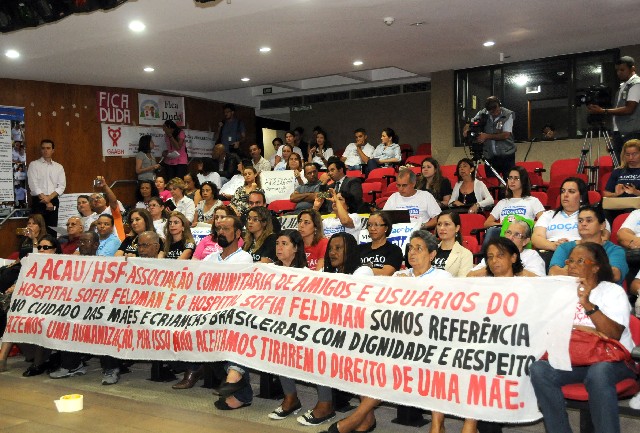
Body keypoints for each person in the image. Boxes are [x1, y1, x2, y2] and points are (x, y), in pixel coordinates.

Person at [530, 242, 635, 433]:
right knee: (539, 369)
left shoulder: (612, 292)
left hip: (614, 362)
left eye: (580, 261)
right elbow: (551, 330)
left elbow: (612, 334)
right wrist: (588, 330)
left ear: (595, 267)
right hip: (575, 361)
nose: (572, 265)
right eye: (570, 261)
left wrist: (587, 304)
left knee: (599, 372)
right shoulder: (562, 293)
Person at [266, 230, 335, 426]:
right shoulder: (269, 271)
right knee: (279, 349)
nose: (279, 247)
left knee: (317, 353)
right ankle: (290, 398)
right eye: (278, 243)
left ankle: (325, 404)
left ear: (296, 248)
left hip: (305, 329)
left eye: (285, 243)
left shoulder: (306, 275)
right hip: (279, 326)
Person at [49, 231, 122, 385]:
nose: (82, 245)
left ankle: (111, 368)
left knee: (105, 325)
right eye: (80, 242)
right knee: (63, 320)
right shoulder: (72, 264)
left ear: (96, 245)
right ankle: (72, 365)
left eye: (86, 242)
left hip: (100, 309)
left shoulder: (106, 264)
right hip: (77, 307)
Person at [209, 216, 254, 410]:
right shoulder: (210, 258)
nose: (221, 232)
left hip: (233, 311)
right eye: (219, 228)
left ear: (237, 234)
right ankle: (240, 389)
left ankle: (238, 385)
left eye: (226, 229)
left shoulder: (244, 257)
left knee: (234, 332)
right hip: (210, 310)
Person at [549, 205, 628, 285]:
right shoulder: (565, 247)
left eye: (589, 220)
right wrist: (592, 269)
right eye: (580, 221)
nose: (583, 224)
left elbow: (615, 274)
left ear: (602, 225)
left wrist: (570, 268)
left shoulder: (615, 250)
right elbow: (553, 272)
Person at [20, 234, 61, 377]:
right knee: (14, 318)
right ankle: (38, 357)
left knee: (41, 320)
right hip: (35, 304)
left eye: (46, 247)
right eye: (40, 247)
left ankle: (38, 363)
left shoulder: (62, 265)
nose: (42, 250)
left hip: (56, 306)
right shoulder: (33, 265)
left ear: (55, 250)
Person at [533, 177, 611, 251]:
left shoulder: (594, 214)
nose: (565, 195)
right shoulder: (548, 214)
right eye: (563, 191)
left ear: (581, 196)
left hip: (584, 251)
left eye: (571, 191)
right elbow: (536, 238)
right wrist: (554, 246)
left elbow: (603, 238)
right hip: (551, 251)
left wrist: (571, 247)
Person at [588, 56, 640, 159]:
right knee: (618, 167)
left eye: (622, 70)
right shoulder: (622, 86)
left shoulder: (636, 84)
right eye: (617, 70)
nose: (619, 73)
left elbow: (629, 109)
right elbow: (617, 117)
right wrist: (612, 137)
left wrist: (603, 111)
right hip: (619, 133)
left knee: (631, 166)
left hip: (632, 133)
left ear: (632, 69)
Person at [482, 166, 545, 246]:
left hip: (521, 235)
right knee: (492, 231)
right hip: (505, 235)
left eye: (516, 178)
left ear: (523, 181)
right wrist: (504, 224)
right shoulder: (502, 202)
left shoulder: (532, 201)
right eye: (510, 178)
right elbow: (487, 223)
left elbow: (543, 221)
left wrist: (523, 223)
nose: (512, 181)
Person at [468, 219, 546, 277]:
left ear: (525, 241)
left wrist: (513, 267)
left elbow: (540, 282)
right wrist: (492, 267)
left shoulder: (531, 255)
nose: (511, 237)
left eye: (517, 235)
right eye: (508, 232)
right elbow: (470, 276)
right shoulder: (493, 255)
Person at [464, 96, 516, 180]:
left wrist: (486, 136)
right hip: (490, 156)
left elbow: (506, 135)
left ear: (499, 106)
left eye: (496, 111)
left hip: (506, 156)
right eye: (492, 112)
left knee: (509, 181)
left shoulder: (507, 114)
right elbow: (471, 122)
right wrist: (467, 129)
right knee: (492, 181)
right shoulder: (483, 113)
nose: (495, 114)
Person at [27, 139, 66, 231]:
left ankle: (51, 245)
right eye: (43, 148)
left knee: (52, 229)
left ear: (53, 150)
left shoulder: (59, 167)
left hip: (53, 200)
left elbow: (61, 186)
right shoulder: (34, 165)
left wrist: (49, 199)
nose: (45, 150)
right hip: (38, 201)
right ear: (41, 150)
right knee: (37, 230)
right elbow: (33, 185)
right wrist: (47, 201)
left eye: (48, 148)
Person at [358, 211, 403, 276]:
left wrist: (363, 270)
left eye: (376, 225)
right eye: (369, 225)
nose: (372, 228)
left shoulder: (394, 250)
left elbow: (386, 273)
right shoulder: (359, 249)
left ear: (386, 228)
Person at [434, 210, 474, 277]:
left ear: (457, 228)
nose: (441, 228)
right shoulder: (430, 250)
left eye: (446, 224)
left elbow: (463, 283)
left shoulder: (465, 254)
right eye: (439, 224)